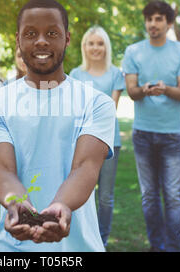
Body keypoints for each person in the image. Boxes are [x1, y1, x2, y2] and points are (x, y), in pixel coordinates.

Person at [0, 0, 116, 251]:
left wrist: (61, 205)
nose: (41, 40)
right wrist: (18, 204)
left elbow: (85, 167)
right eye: (31, 33)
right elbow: (2, 170)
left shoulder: (97, 103)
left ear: (67, 38)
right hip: (14, 249)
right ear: (18, 40)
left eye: (52, 33)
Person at [122, 0, 180, 252]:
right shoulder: (133, 51)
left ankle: (175, 247)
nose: (153, 24)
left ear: (169, 23)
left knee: (173, 197)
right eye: (149, 19)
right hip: (142, 134)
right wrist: (143, 89)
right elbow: (131, 91)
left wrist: (166, 89)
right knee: (149, 197)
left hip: (171, 135)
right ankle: (157, 245)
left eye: (158, 19)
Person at [69, 25, 124, 247]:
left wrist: (88, 110)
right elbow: (73, 110)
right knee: (83, 193)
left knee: (105, 198)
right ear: (84, 46)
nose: (95, 48)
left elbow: (111, 110)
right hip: (81, 143)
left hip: (109, 142)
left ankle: (101, 241)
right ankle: (84, 239)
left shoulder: (115, 74)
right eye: (91, 43)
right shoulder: (75, 75)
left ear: (106, 47)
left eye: (100, 43)